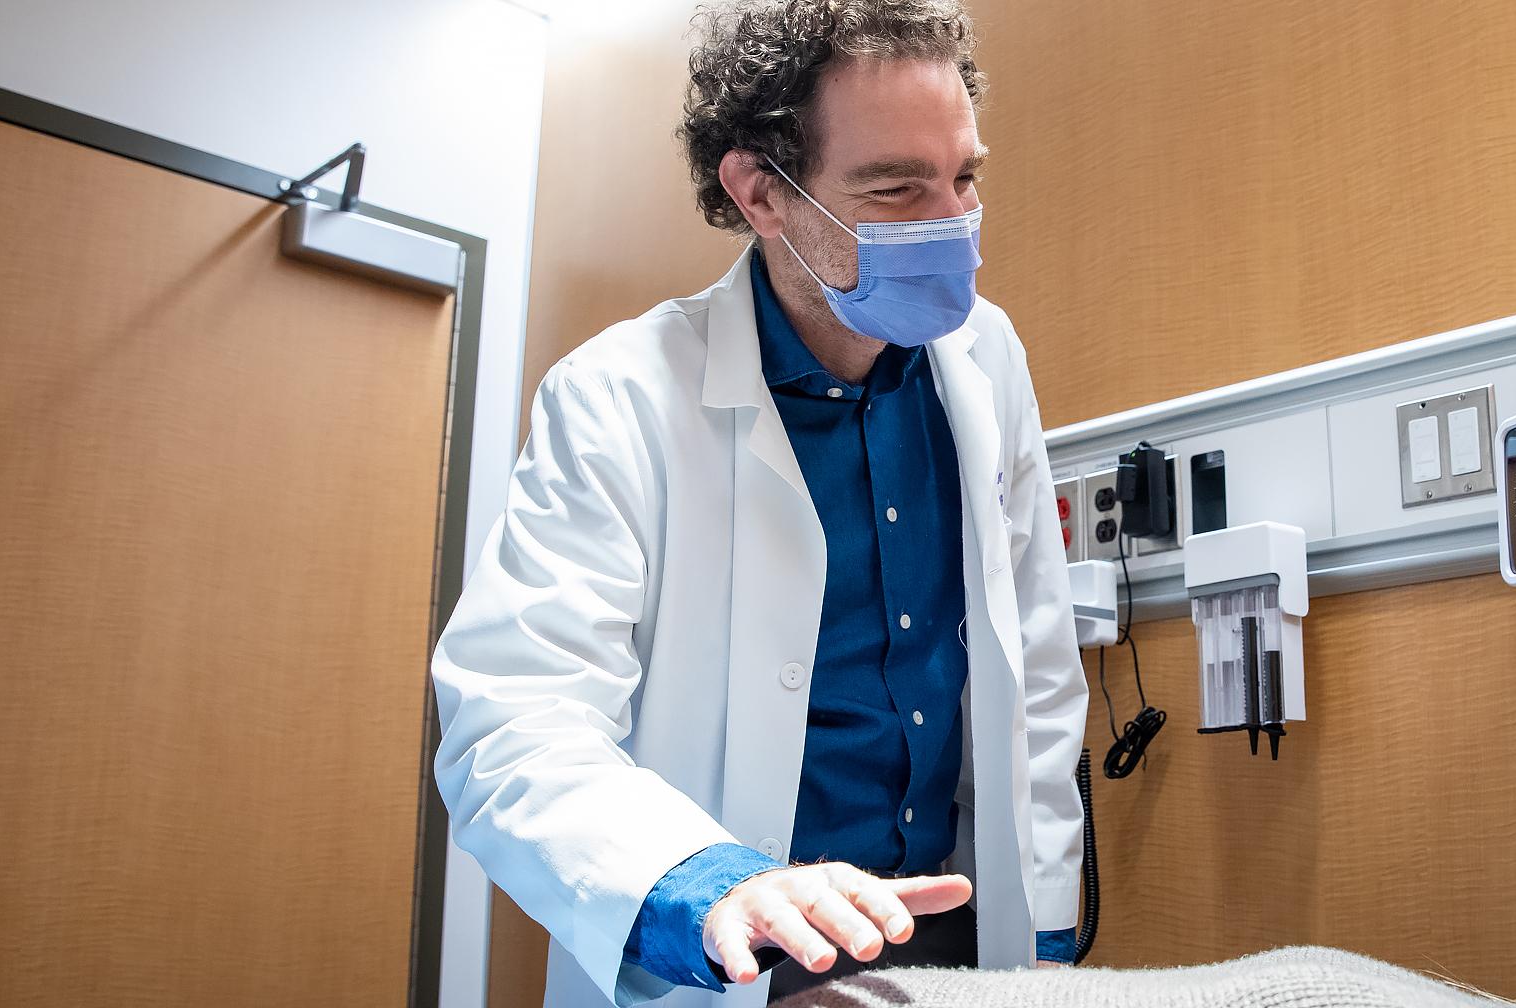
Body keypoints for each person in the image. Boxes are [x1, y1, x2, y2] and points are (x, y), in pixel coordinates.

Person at [428, 2, 1089, 1006]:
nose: (947, 223)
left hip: (959, 947)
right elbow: (514, 725)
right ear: (761, 193)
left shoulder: (985, 360)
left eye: (962, 179)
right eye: (894, 187)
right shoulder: (617, 398)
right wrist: (702, 891)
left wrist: (1041, 937)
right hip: (737, 950)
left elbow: (1034, 663)